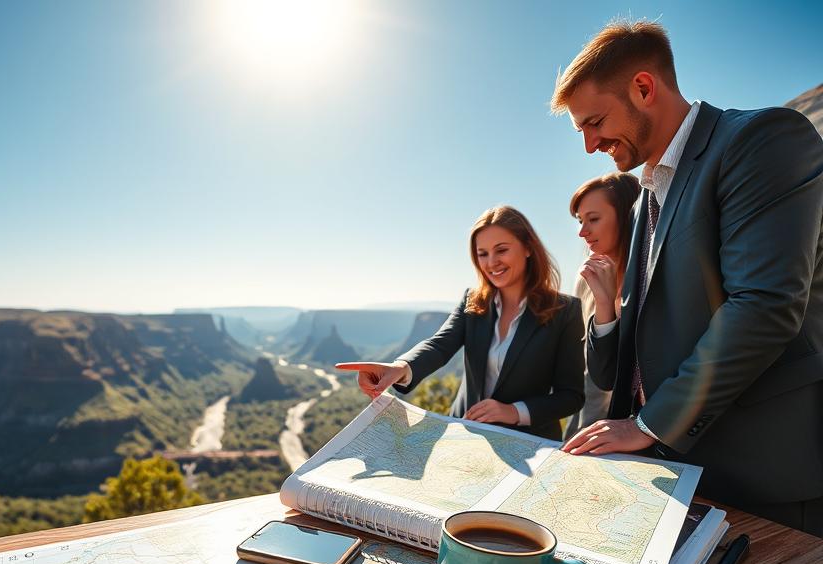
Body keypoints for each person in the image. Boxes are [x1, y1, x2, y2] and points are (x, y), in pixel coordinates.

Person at [553, 20, 823, 534]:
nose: (589, 145)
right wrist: (608, 315)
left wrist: (651, 424)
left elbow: (763, 305)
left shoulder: (761, 140)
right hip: (675, 474)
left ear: (644, 88)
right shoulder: (648, 195)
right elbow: (626, 359)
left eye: (594, 122)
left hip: (763, 475)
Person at [337, 206, 584, 441]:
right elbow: (439, 345)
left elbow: (571, 396)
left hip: (528, 443)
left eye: (502, 250)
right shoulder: (473, 301)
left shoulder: (566, 311)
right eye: (482, 254)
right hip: (466, 433)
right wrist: (399, 368)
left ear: (528, 247)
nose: (491, 262)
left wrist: (513, 411)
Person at [564, 172, 641, 436]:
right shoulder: (585, 278)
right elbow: (592, 368)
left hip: (638, 427)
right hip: (588, 418)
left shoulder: (652, 280)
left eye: (593, 219)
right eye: (580, 221)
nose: (582, 232)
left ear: (627, 216)